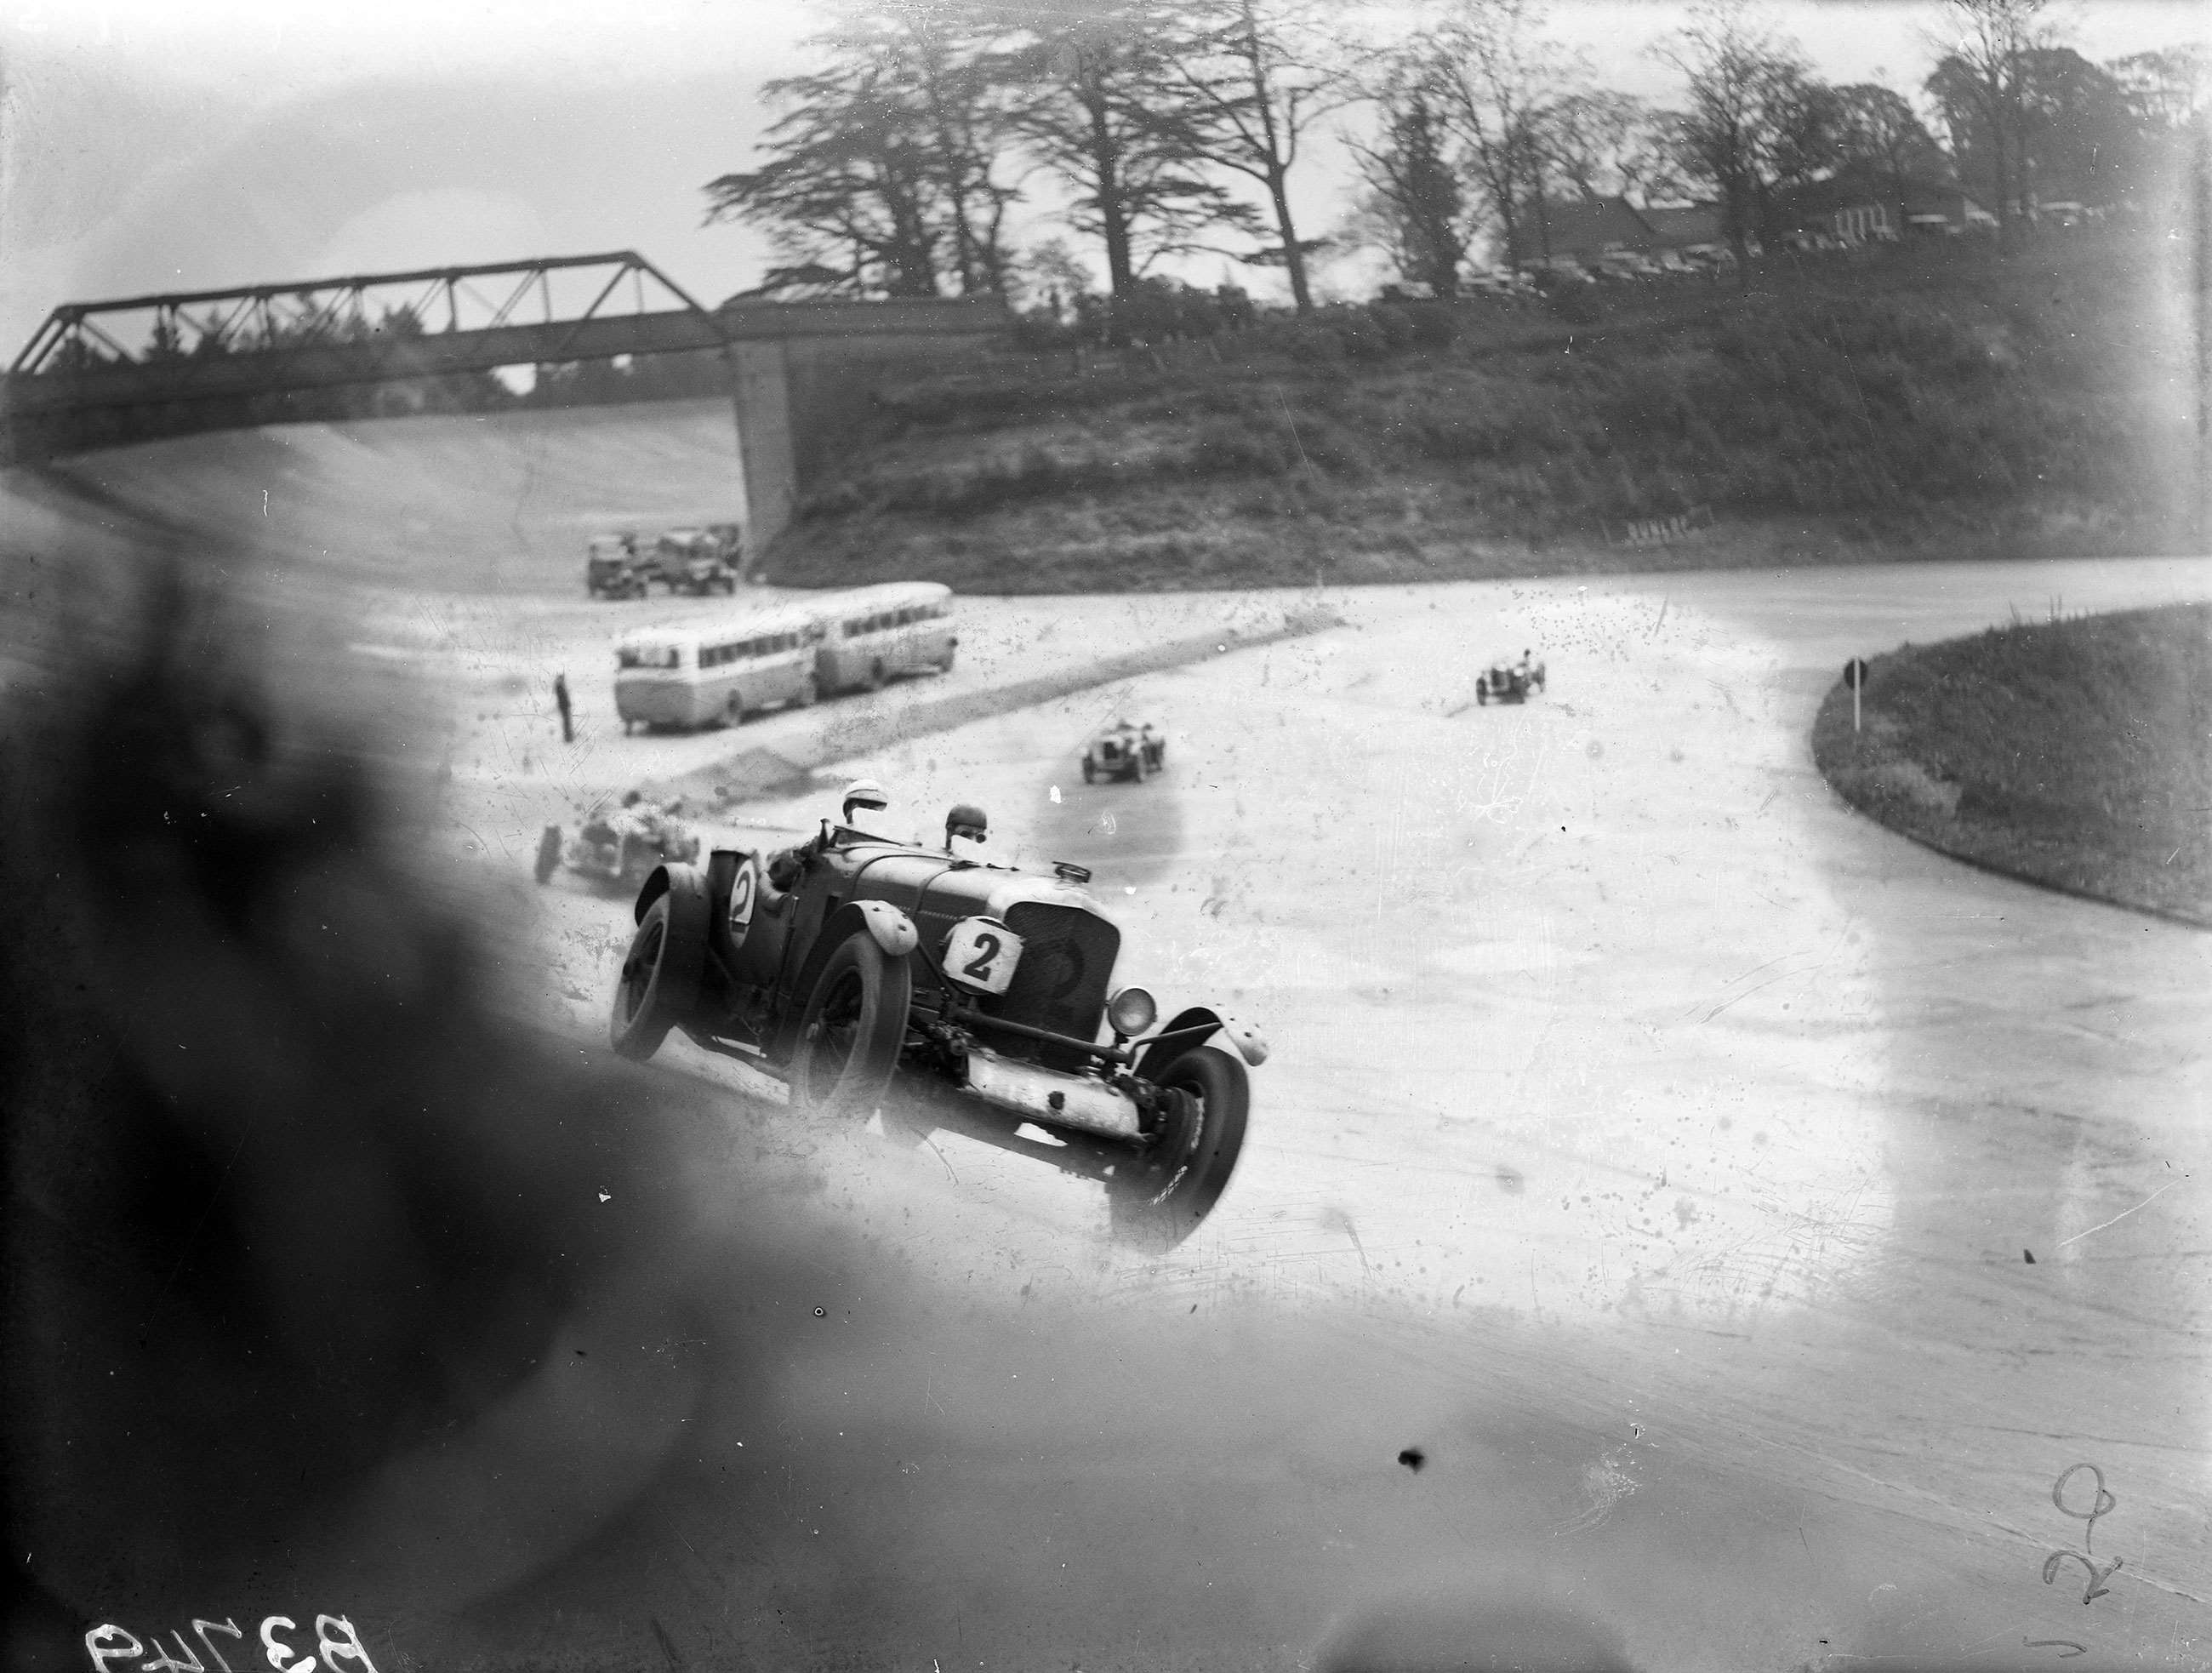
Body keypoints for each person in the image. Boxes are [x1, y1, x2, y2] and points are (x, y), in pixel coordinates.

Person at [767, 779, 890, 891]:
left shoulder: (887, 841)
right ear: (848, 807)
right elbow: (778, 873)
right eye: (862, 806)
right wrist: (804, 853)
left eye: (874, 808)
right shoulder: (830, 835)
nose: (867, 811)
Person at [553, 671, 573, 744]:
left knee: (567, 722)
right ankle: (568, 738)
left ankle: (568, 737)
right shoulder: (559, 686)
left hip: (564, 706)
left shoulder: (559, 685)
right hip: (564, 707)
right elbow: (563, 698)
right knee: (566, 722)